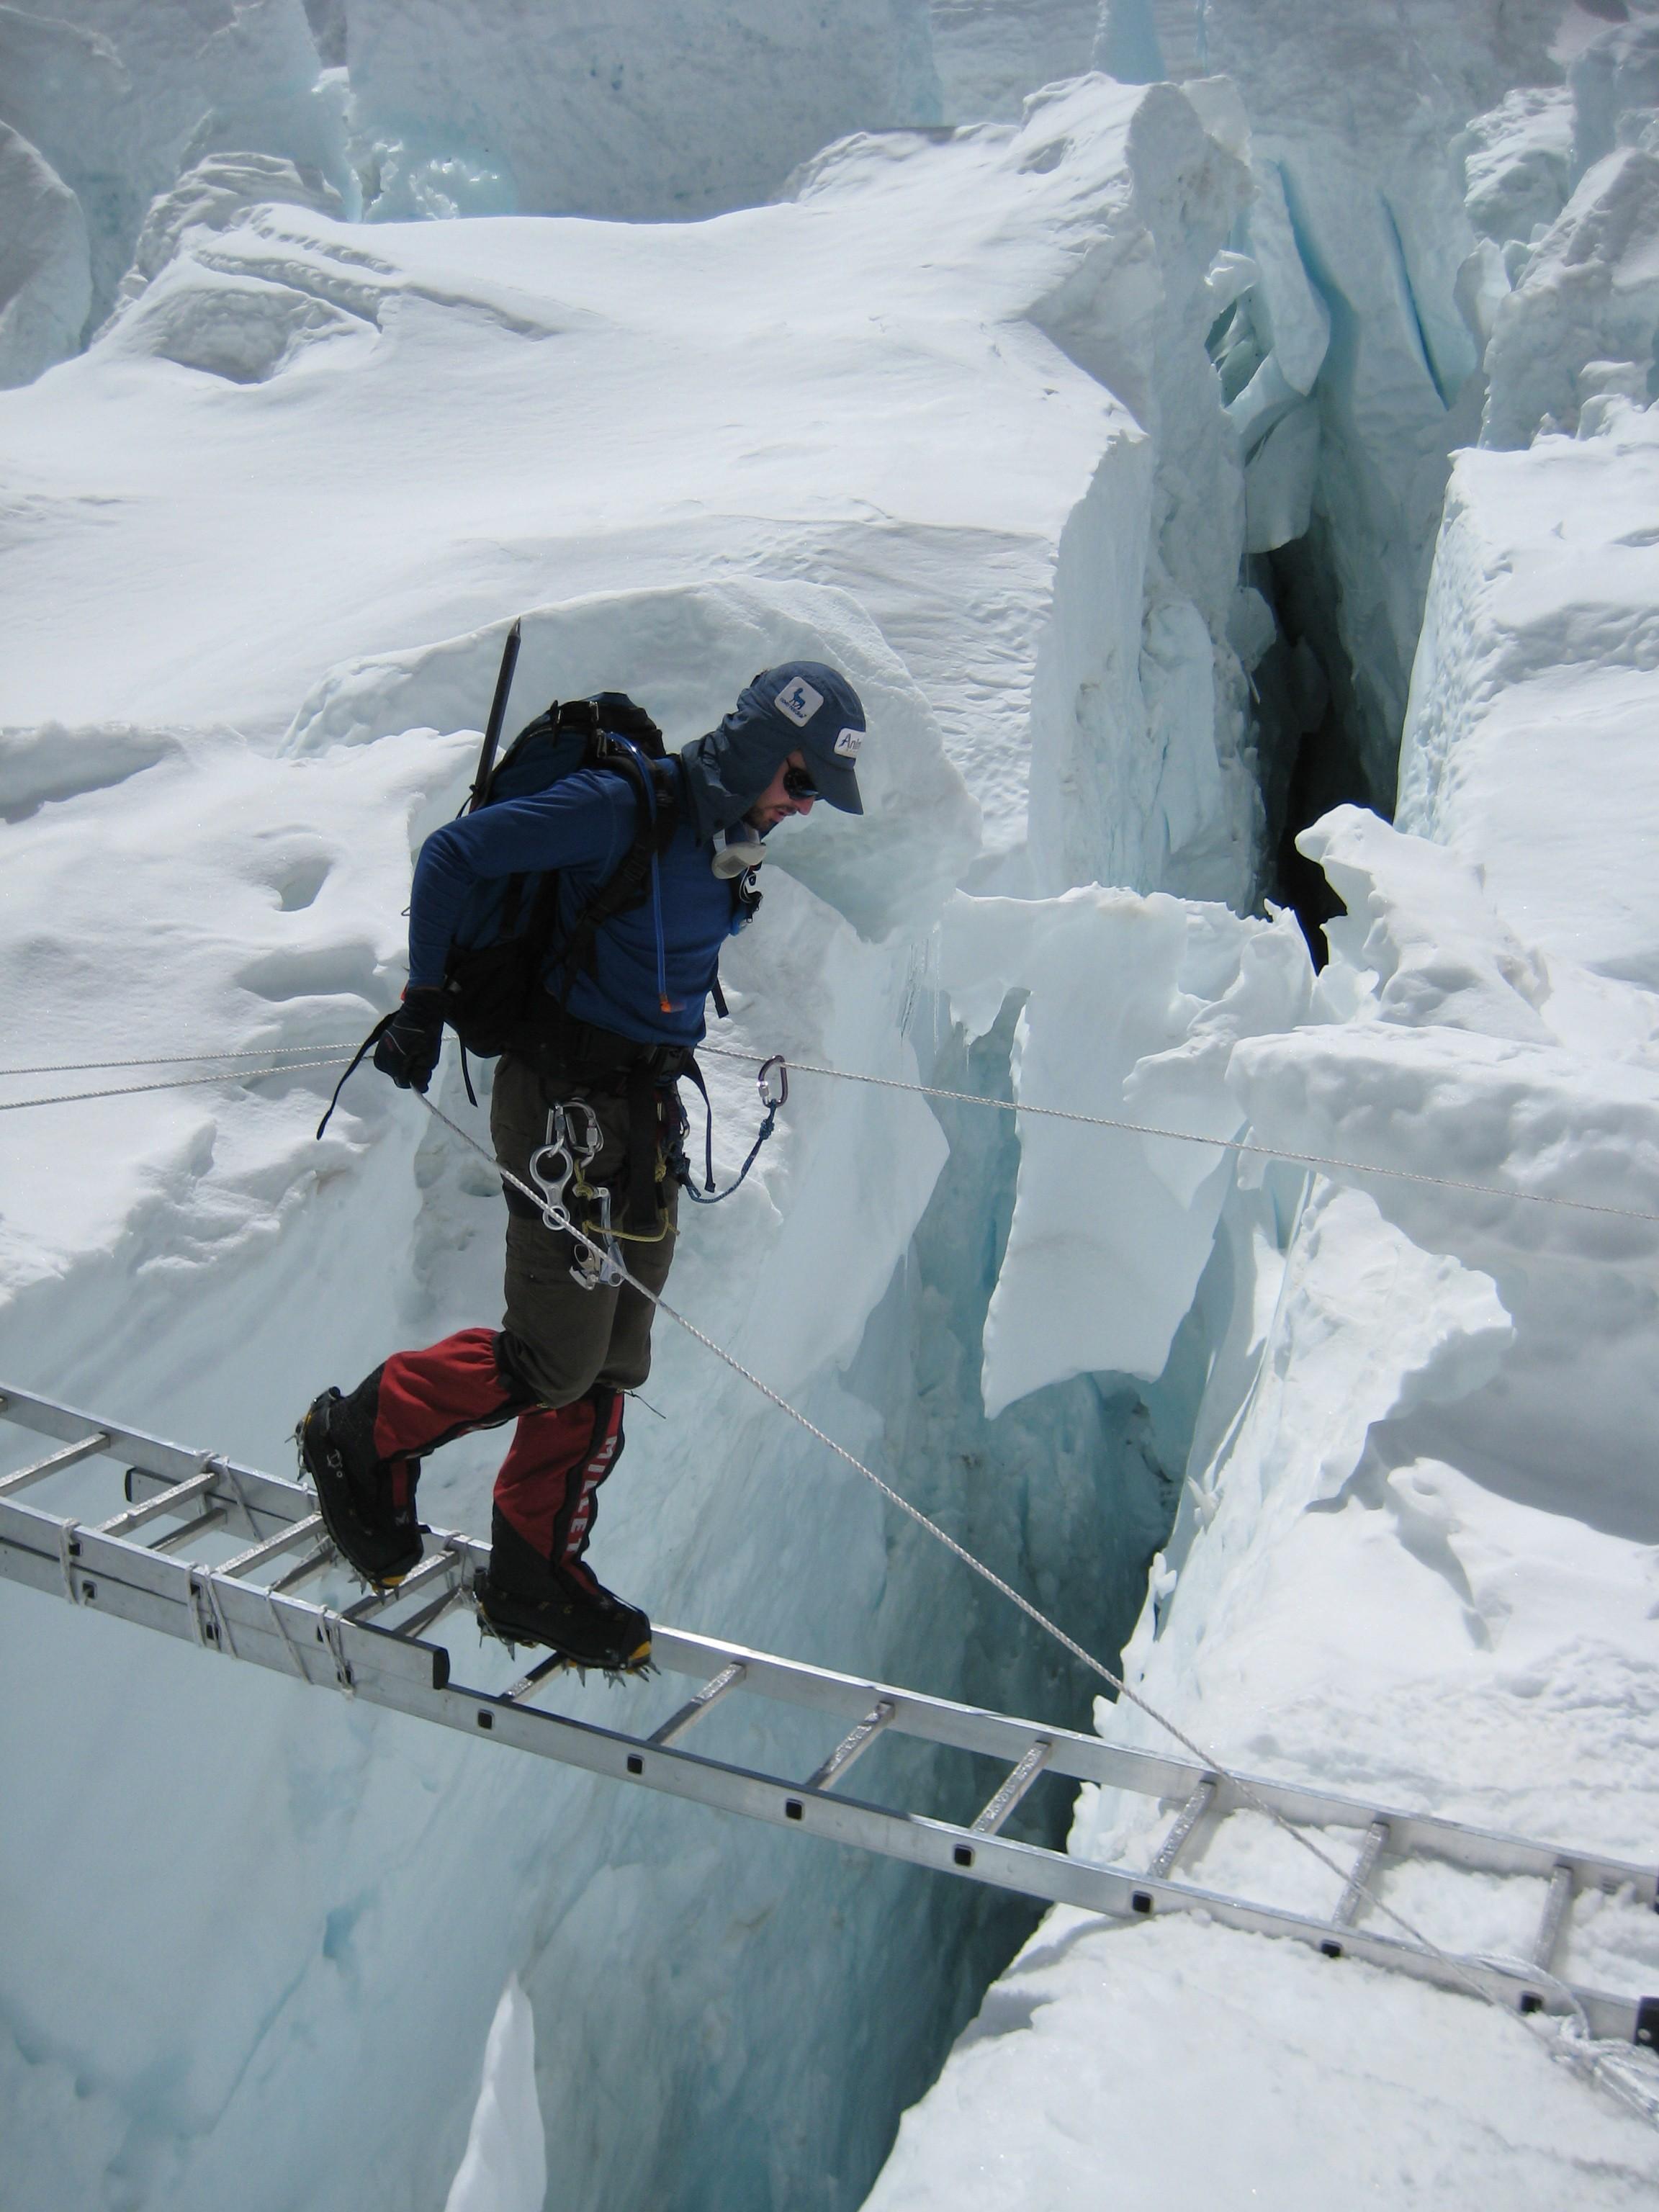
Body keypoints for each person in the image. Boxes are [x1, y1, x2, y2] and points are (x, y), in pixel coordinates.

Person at [297, 662, 867, 1671]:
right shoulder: (621, 808)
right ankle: (361, 1432)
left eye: (816, 792)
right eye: (802, 779)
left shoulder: (726, 844)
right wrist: (426, 1001)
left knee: (612, 1359)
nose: (803, 806)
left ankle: (533, 1569)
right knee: (554, 1355)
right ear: (756, 747)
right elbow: (454, 857)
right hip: (561, 1109)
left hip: (640, 1119)